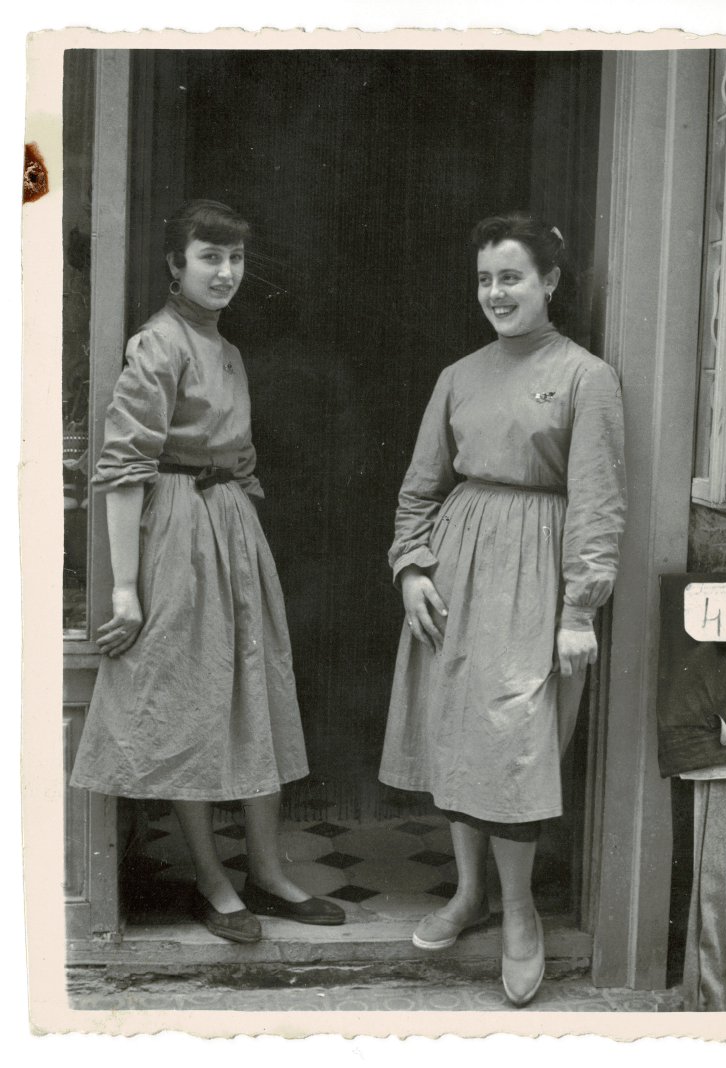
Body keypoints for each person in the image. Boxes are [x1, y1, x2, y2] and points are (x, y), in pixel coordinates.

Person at [70, 200, 345, 941]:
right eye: (209, 258)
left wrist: (241, 529)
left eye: (235, 260)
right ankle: (211, 878)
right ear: (175, 265)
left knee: (252, 690)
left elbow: (240, 457)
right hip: (177, 529)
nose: (226, 273)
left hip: (229, 528)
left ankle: (268, 870)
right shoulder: (157, 346)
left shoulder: (224, 348)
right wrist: (127, 586)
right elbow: (122, 468)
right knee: (190, 697)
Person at [379, 213, 626, 1005]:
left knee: (514, 742)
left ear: (550, 282)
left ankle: (519, 912)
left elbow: (597, 502)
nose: (496, 293)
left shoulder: (587, 376)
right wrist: (412, 568)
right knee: (457, 733)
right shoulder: (459, 373)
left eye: (511, 277)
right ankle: (467, 892)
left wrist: (580, 608)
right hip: (457, 569)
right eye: (486, 279)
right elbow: (420, 487)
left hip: (537, 575)